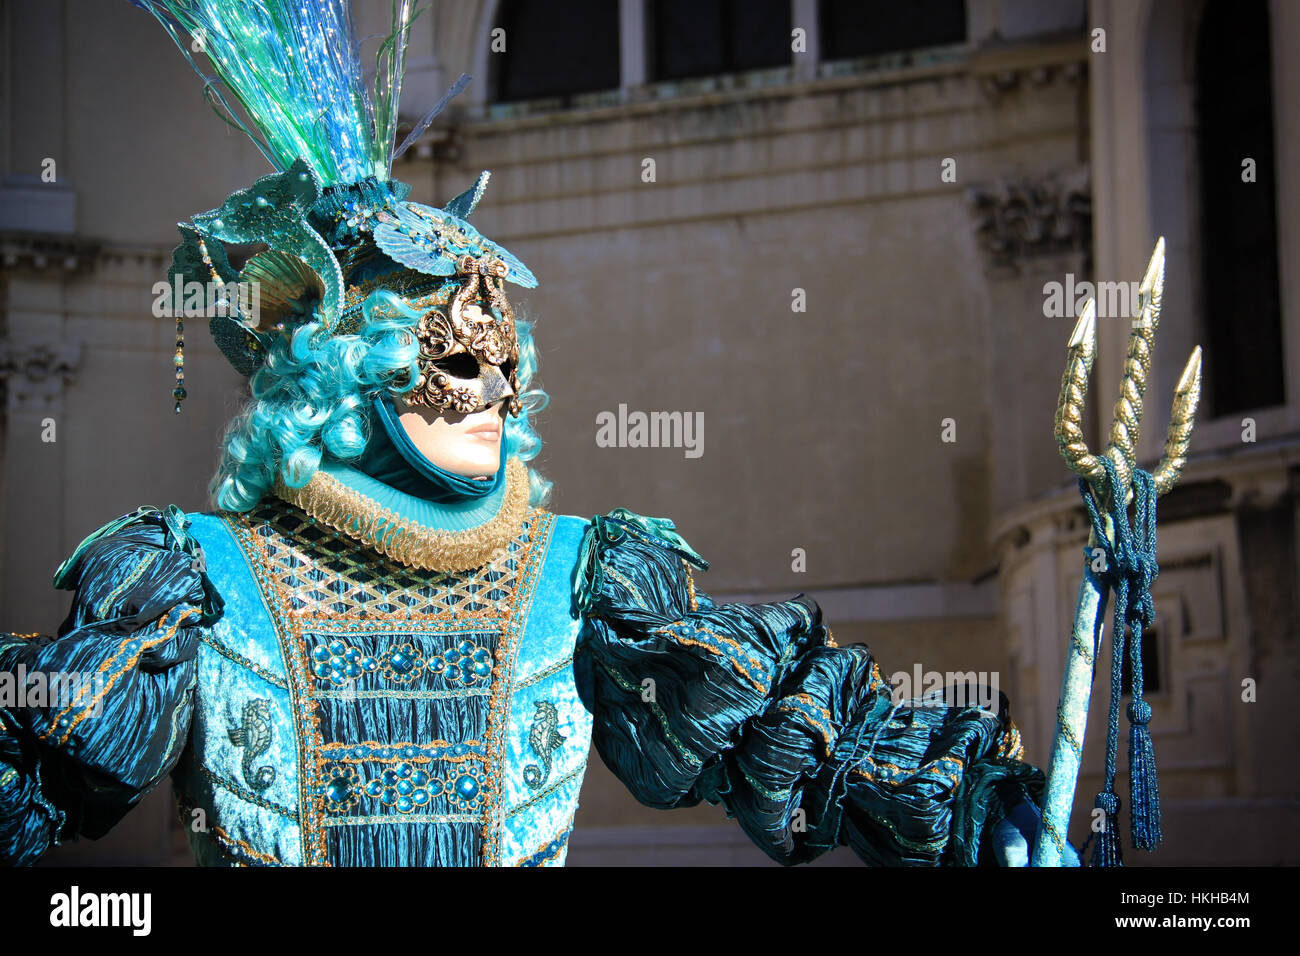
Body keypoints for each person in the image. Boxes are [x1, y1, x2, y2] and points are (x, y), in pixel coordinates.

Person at [0, 0, 1076, 867]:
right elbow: (36, 758)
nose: (495, 396)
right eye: (459, 361)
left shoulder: (587, 581)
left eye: (508, 365)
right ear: (341, 380)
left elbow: (780, 729)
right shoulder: (192, 585)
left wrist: (981, 817)